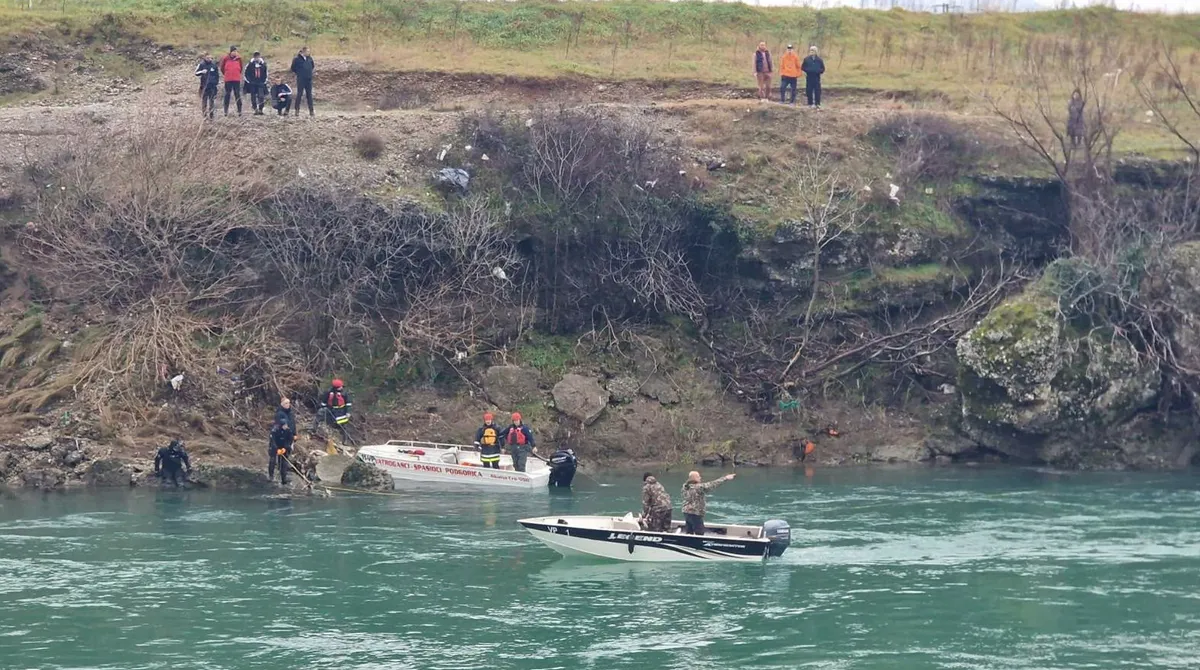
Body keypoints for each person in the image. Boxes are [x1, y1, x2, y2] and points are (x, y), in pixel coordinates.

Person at [681, 470, 735, 535]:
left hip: (686, 512)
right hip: (695, 513)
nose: (700, 477)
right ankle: (698, 544)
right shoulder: (699, 487)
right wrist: (725, 478)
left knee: (689, 531)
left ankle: (688, 542)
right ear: (694, 478)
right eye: (698, 476)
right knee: (699, 532)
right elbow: (712, 484)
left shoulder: (685, 486)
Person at [218, 45, 244, 116]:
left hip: (236, 79)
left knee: (237, 94)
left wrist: (237, 74)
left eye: (236, 51)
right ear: (230, 52)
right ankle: (225, 111)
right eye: (233, 51)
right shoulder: (226, 58)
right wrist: (226, 74)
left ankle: (239, 111)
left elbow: (241, 68)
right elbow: (222, 68)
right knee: (227, 94)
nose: (235, 53)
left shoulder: (239, 59)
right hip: (228, 79)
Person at [290, 46, 315, 117]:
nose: (308, 53)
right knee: (299, 94)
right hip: (301, 79)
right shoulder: (297, 59)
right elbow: (293, 68)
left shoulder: (309, 58)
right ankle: (297, 110)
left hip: (308, 79)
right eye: (307, 51)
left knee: (309, 95)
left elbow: (312, 66)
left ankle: (311, 110)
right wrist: (299, 73)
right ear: (303, 52)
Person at [269, 419, 295, 485]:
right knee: (272, 460)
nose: (286, 426)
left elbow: (290, 440)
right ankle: (271, 476)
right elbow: (273, 441)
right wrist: (276, 449)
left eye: (286, 425)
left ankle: (283, 478)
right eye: (284, 425)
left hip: (284, 446)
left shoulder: (288, 431)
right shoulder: (275, 430)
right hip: (275, 446)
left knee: (284, 463)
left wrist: (285, 448)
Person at [194, 53, 219, 119]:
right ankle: (204, 116)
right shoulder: (201, 64)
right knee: (204, 101)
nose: (209, 59)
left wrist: (216, 83)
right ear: (205, 58)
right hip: (204, 86)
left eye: (211, 58)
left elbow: (217, 75)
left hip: (212, 86)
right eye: (208, 58)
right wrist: (202, 71)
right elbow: (196, 73)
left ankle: (211, 115)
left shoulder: (214, 65)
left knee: (212, 101)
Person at [244, 50, 268, 115]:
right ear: (254, 57)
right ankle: (255, 109)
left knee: (261, 96)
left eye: (258, 56)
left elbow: (266, 73)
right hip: (252, 83)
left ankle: (261, 109)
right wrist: (249, 81)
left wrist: (264, 81)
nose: (257, 58)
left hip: (261, 82)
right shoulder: (250, 64)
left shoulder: (263, 64)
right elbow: (245, 73)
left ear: (259, 56)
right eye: (255, 56)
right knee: (253, 97)